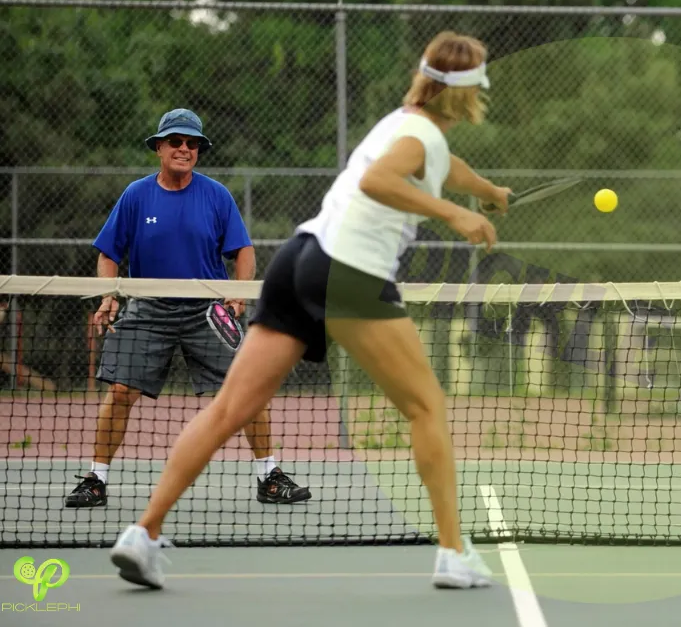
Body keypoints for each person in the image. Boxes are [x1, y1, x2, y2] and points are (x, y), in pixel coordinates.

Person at [108, 31, 506, 592]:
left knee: (228, 411)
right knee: (426, 407)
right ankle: (453, 554)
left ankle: (142, 535)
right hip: (351, 273)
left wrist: (488, 192)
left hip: (299, 260)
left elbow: (446, 164)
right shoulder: (415, 136)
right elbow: (379, 179)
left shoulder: (404, 124)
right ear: (469, 92)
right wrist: (454, 214)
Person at [68, 108, 310, 509]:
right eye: (176, 141)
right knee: (121, 391)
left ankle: (269, 477)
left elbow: (243, 251)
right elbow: (108, 253)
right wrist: (107, 294)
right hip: (147, 308)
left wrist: (237, 293)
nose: (184, 149)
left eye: (192, 143)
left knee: (248, 389)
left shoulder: (216, 195)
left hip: (206, 313)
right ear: (160, 147)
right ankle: (95, 479)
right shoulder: (136, 195)